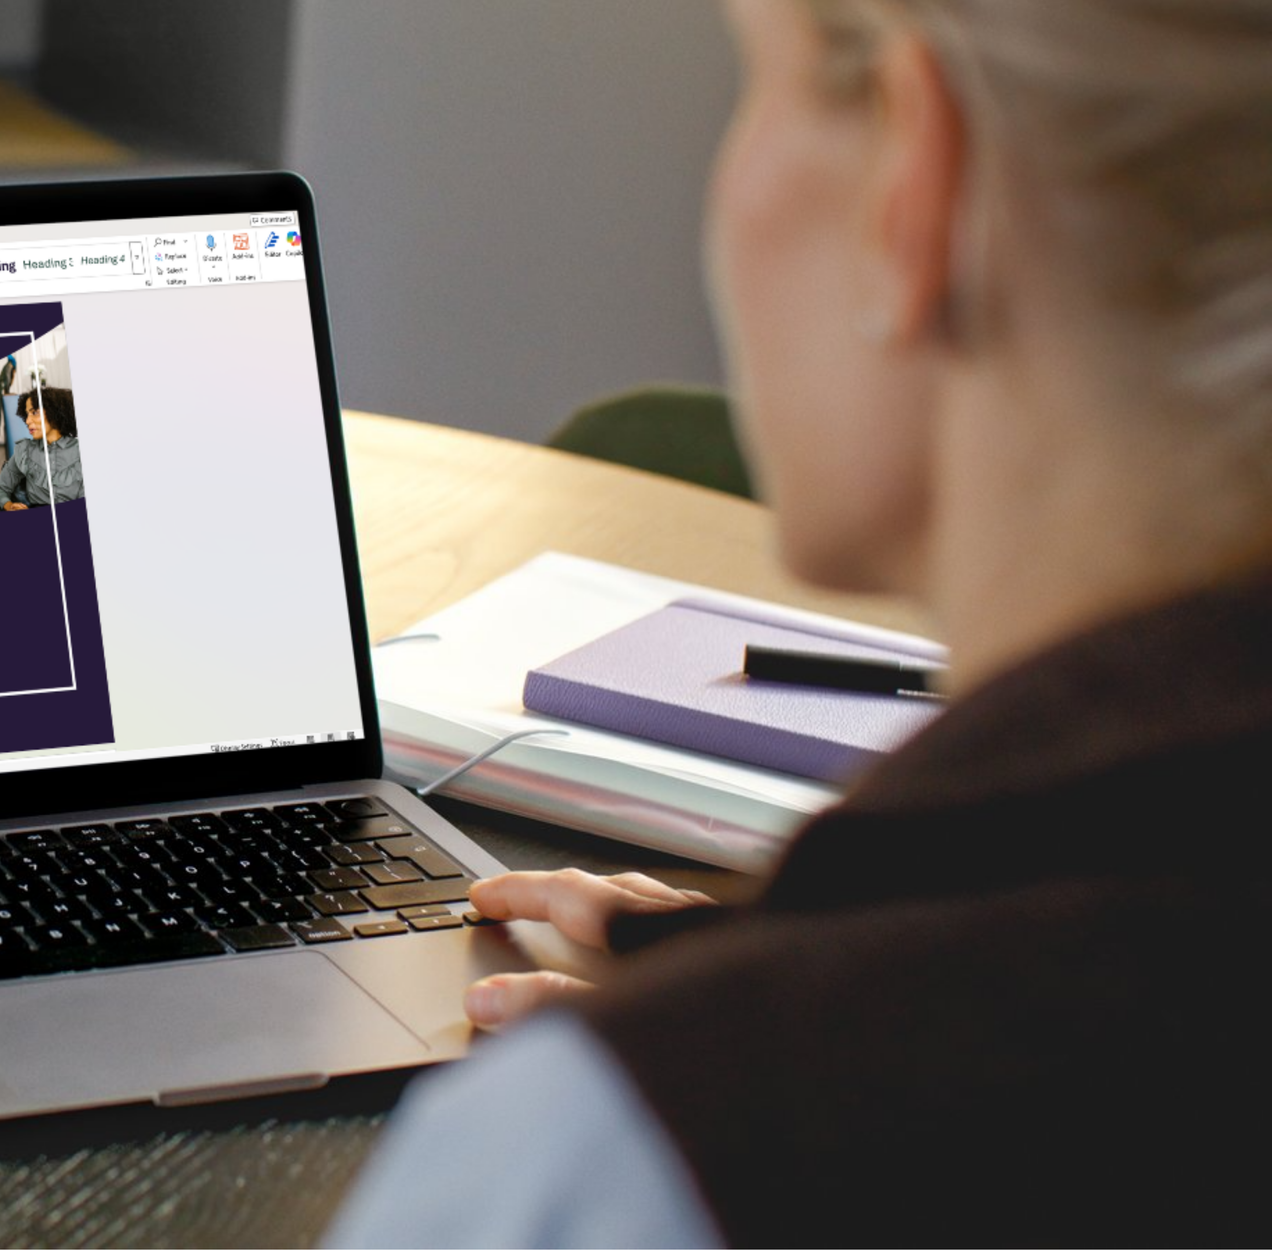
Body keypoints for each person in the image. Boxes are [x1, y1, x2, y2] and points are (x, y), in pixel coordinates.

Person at [330, 0, 1272, 1244]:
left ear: (912, 177)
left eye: (753, 87)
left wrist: (767, 1006)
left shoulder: (621, 1164)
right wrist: (779, 957)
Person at [0, 386, 84, 510]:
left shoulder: (80, 451)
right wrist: (9, 505)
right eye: (27, 414)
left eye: (34, 412)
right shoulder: (25, 451)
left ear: (54, 412)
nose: (28, 421)